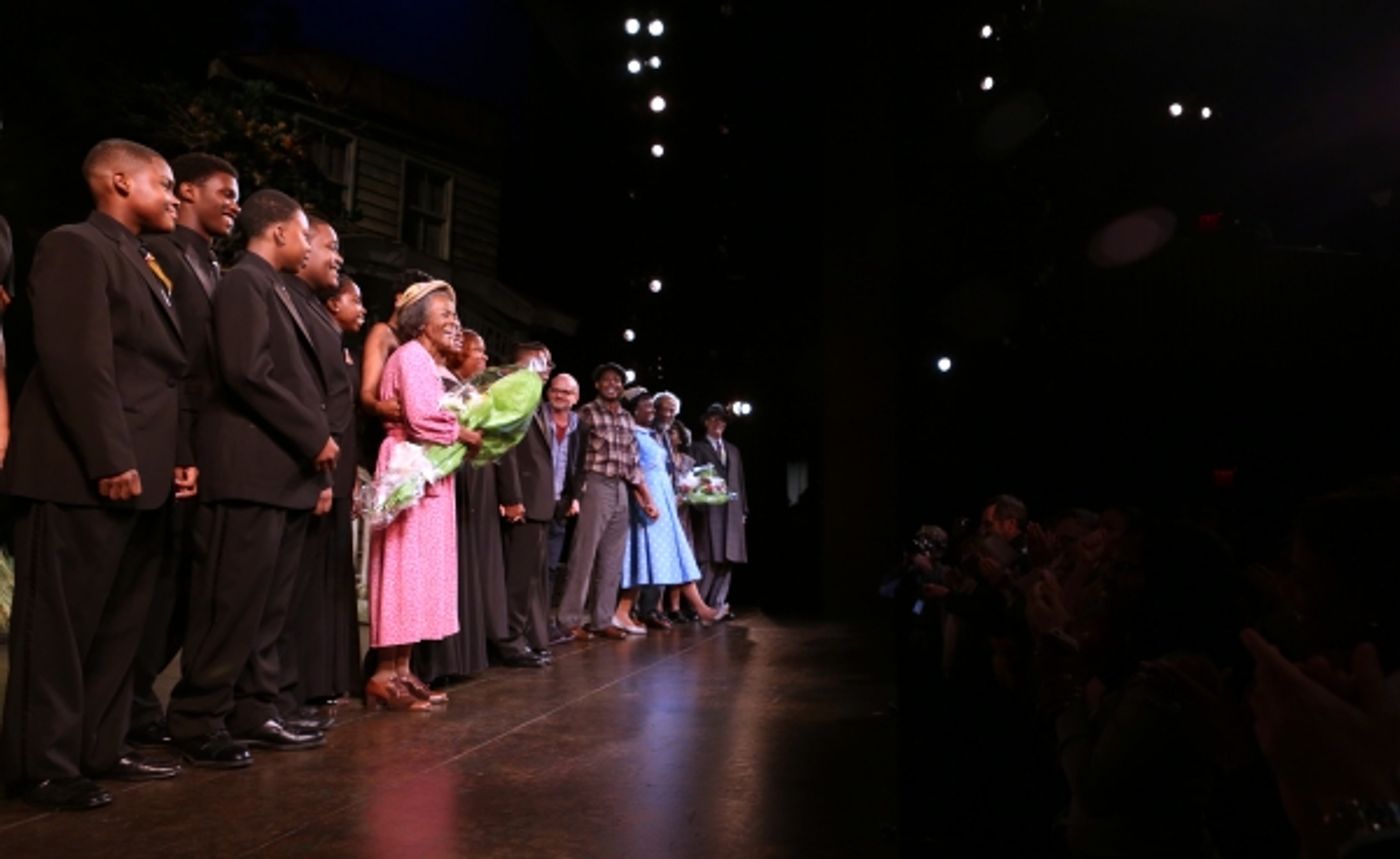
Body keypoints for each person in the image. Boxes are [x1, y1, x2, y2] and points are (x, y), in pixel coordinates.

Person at [0, 139, 188, 810]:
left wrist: (168, 459)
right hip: (82, 471)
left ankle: (96, 747)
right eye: (164, 184)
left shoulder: (141, 258)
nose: (175, 195)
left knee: (117, 625)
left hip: (142, 471)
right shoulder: (74, 245)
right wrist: (111, 457)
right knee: (60, 624)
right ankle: (42, 762)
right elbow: (79, 362)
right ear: (116, 180)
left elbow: (161, 371)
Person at [166, 189, 336, 768]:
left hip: (278, 473)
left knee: (266, 608)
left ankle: (253, 708)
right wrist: (313, 436)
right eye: (306, 233)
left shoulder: (273, 288)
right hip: (246, 471)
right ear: (282, 232)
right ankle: (196, 717)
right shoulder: (242, 282)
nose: (311, 245)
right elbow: (247, 372)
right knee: (229, 604)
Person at [127, 151, 240, 750]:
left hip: (205, 441)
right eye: (224, 192)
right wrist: (179, 447)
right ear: (188, 191)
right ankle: (129, 700)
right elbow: (172, 364)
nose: (233, 204)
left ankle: (138, 698)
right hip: (175, 436)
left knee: (186, 582)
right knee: (159, 576)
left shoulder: (214, 265)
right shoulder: (163, 254)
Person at [366, 281, 480, 710]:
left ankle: (403, 670)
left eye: (455, 314)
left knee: (421, 573)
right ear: (420, 321)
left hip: (428, 470)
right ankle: (383, 674)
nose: (454, 321)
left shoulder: (428, 364)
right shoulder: (410, 356)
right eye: (445, 314)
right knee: (402, 568)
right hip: (409, 466)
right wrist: (463, 433)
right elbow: (419, 418)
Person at [276, 216, 357, 723]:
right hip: (291, 464)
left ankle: (284, 694)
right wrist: (316, 450)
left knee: (293, 594)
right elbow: (271, 379)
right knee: (276, 600)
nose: (335, 256)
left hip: (316, 466)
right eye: (325, 244)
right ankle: (268, 699)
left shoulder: (303, 307)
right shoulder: (266, 292)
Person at [413, 326, 507, 684]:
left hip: (468, 480)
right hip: (444, 475)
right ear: (458, 354)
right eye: (477, 351)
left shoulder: (467, 389)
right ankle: (435, 661)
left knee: (466, 566)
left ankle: (462, 657)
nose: (484, 357)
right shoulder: (438, 381)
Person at [556, 363, 659, 640]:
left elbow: (633, 463)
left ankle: (602, 619)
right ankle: (569, 620)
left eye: (617, 380)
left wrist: (645, 499)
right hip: (596, 483)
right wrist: (575, 491)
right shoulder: (586, 413)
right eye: (607, 380)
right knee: (584, 555)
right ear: (598, 385)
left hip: (621, 488)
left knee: (613, 559)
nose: (612, 383)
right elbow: (573, 455)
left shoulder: (627, 418)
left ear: (622, 387)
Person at [616, 390, 727, 630]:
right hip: (649, 501)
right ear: (634, 410)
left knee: (676, 553)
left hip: (664, 499)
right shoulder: (632, 434)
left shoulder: (652, 435)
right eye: (648, 406)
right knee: (645, 557)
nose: (653, 411)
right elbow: (632, 471)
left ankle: (701, 608)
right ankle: (623, 610)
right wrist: (645, 500)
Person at [493, 342, 560, 667]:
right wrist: (513, 497)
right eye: (542, 363)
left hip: (539, 503)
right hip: (524, 502)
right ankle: (509, 640)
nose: (548, 369)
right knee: (518, 578)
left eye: (549, 363)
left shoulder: (536, 402)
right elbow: (506, 451)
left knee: (533, 577)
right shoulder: (514, 396)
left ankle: (528, 635)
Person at [691, 403, 748, 612]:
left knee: (728, 557)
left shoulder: (732, 450)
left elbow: (739, 481)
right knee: (708, 556)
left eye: (722, 420)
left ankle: (718, 604)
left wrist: (743, 510)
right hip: (709, 509)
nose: (718, 423)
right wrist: (699, 508)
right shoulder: (697, 447)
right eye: (714, 419)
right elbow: (695, 478)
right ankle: (699, 606)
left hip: (732, 510)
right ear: (706, 422)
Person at [544, 371, 582, 644]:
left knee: (550, 568)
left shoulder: (579, 425)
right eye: (556, 390)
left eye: (567, 392)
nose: (561, 395)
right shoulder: (536, 417)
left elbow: (579, 466)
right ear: (548, 392)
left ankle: (544, 622)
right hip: (532, 502)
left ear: (575, 398)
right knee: (529, 569)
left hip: (560, 504)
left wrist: (575, 497)